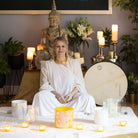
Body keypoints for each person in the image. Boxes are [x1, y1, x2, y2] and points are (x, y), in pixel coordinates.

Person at [32, 37, 96, 116]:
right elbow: (44, 85)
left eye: (63, 46)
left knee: (88, 98)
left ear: (66, 48)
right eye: (57, 46)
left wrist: (71, 95)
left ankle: (66, 112)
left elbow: (80, 84)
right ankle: (65, 112)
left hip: (72, 98)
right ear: (54, 48)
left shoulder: (74, 63)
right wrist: (57, 95)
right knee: (39, 96)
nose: (60, 49)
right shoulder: (47, 65)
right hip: (54, 99)